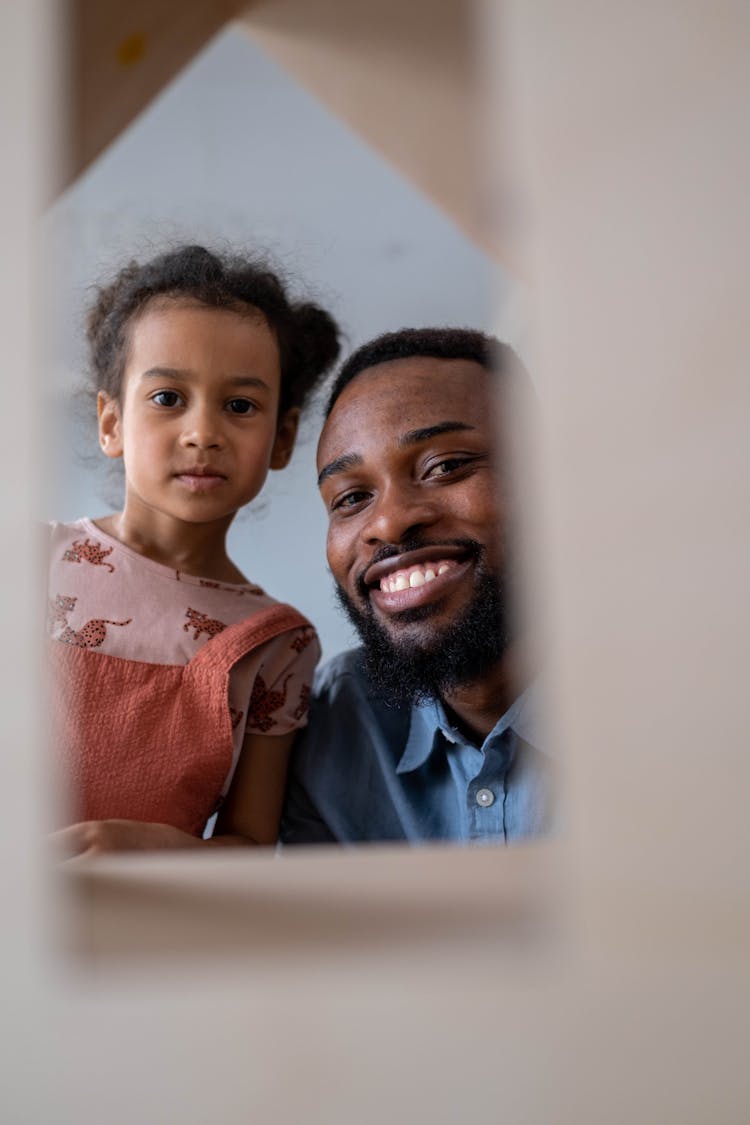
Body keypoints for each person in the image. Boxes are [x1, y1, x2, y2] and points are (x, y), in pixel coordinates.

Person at [48, 244, 340, 856]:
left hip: (152, 939)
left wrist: (150, 850)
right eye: (167, 398)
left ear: (281, 439)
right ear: (111, 424)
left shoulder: (278, 643)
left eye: (240, 406)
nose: (203, 433)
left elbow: (251, 846)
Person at [281, 327, 553, 845]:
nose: (388, 523)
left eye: (445, 466)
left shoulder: (693, 693)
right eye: (351, 498)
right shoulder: (332, 727)